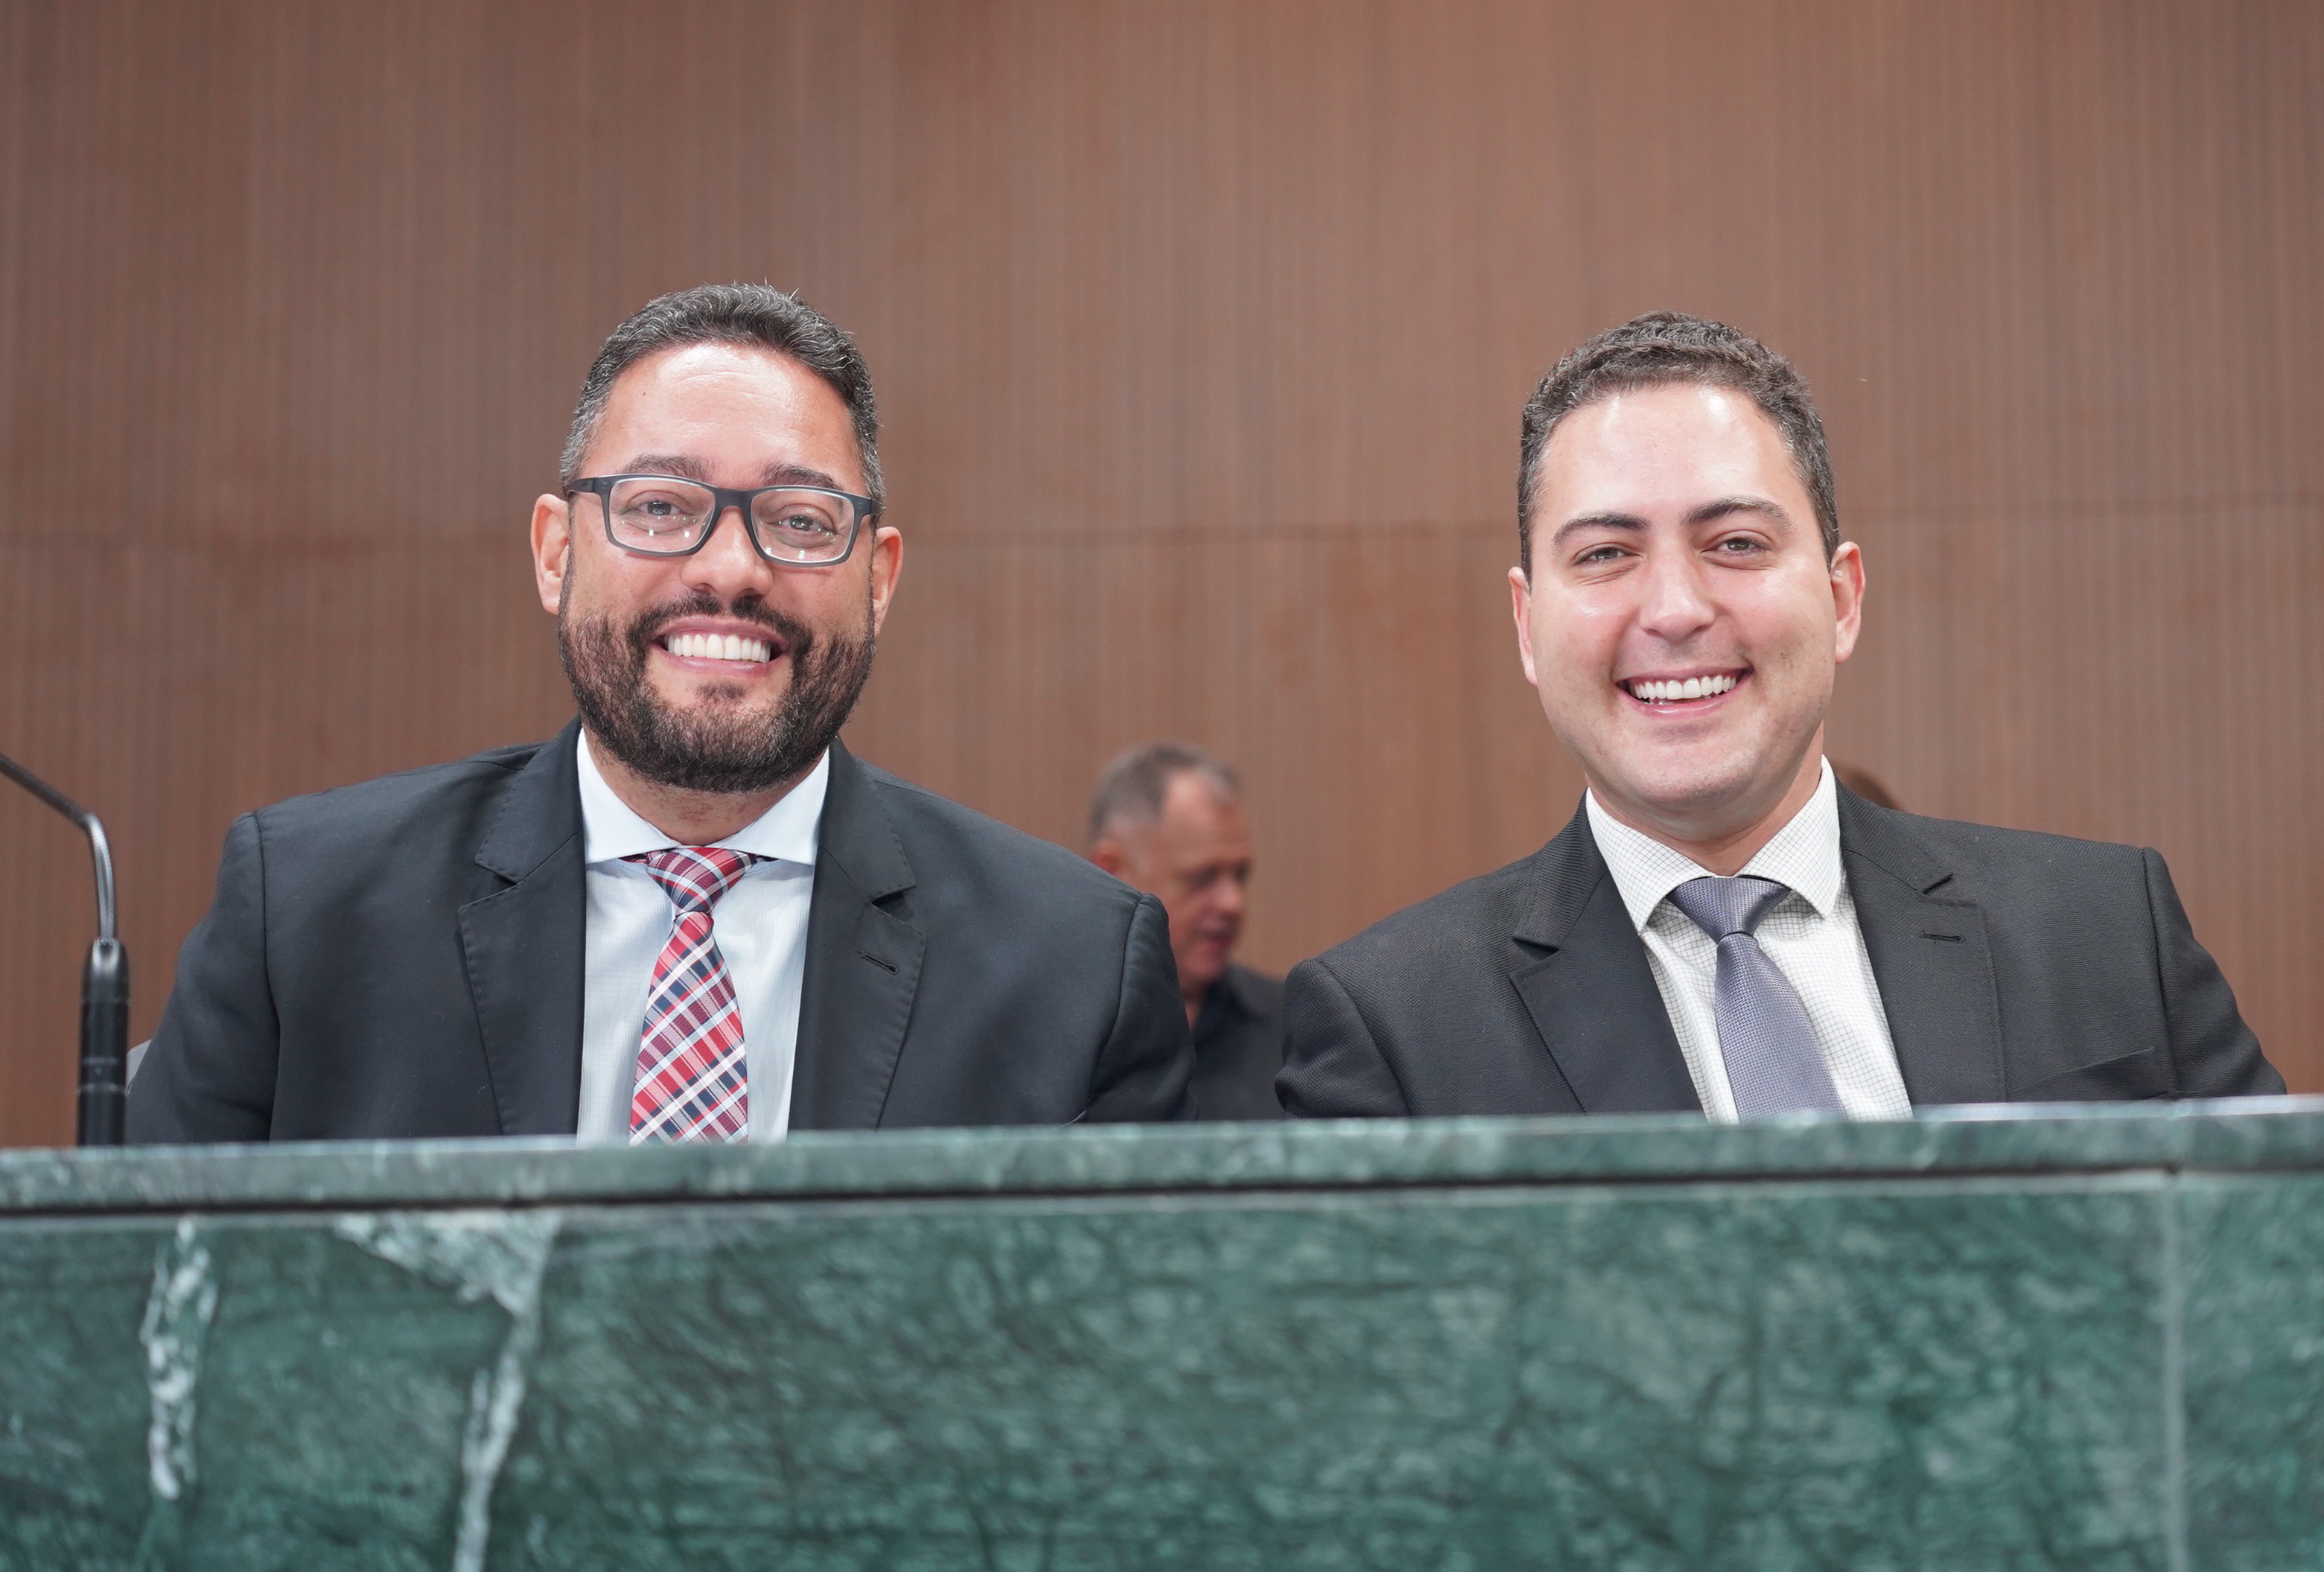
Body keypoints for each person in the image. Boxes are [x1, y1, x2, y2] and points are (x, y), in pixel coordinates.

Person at [131, 284, 1193, 1143]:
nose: (729, 568)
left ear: (879, 578)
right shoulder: (305, 915)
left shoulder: (1075, 969)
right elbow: (137, 1308)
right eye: (658, 506)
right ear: (556, 552)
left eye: (800, 519)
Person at [1279, 311, 2282, 1119]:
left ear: (1842, 599)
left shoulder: (2103, 930)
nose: (1675, 609)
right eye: (1604, 554)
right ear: (1527, 624)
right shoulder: (1394, 1028)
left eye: (1735, 543)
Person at [1089, 745, 1284, 1119]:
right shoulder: (1050, 1033)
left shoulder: (1293, 1028)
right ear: (1112, 872)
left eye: (1240, 875)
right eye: (1203, 877)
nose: (1233, 903)